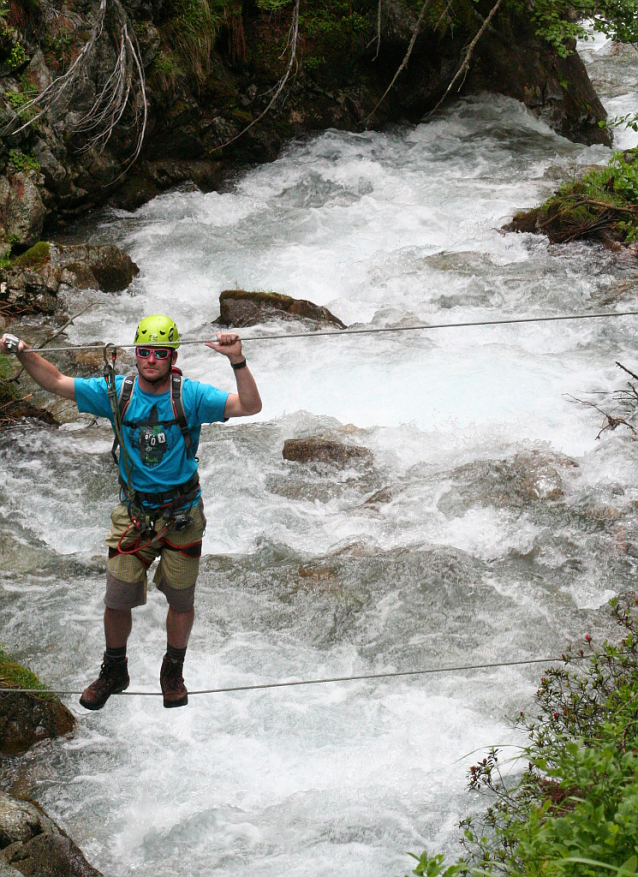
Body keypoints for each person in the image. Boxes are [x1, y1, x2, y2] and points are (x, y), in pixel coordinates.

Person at [0, 315, 261, 710]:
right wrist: (23, 352)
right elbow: (56, 382)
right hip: (135, 513)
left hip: (182, 514)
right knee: (116, 599)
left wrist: (237, 361)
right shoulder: (116, 393)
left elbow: (249, 406)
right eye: (145, 352)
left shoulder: (190, 396)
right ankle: (114, 670)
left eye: (159, 353)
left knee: (181, 601)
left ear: (171, 358)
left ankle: (172, 671)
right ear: (135, 354)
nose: (151, 359)